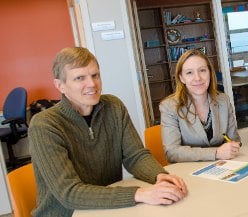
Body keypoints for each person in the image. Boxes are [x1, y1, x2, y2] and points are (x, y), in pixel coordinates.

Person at [29, 47, 188, 217]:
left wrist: (158, 176)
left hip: (108, 208)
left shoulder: (114, 107)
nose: (92, 84)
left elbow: (135, 156)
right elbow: (70, 193)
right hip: (66, 214)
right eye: (80, 78)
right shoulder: (44, 125)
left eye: (95, 75)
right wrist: (140, 193)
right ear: (60, 86)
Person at [160, 49, 241, 163]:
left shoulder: (223, 100)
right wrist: (216, 153)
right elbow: (172, 152)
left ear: (210, 73)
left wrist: (233, 147)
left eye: (202, 70)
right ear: (181, 78)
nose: (197, 78)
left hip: (223, 167)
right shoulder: (169, 107)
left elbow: (234, 140)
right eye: (189, 73)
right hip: (188, 172)